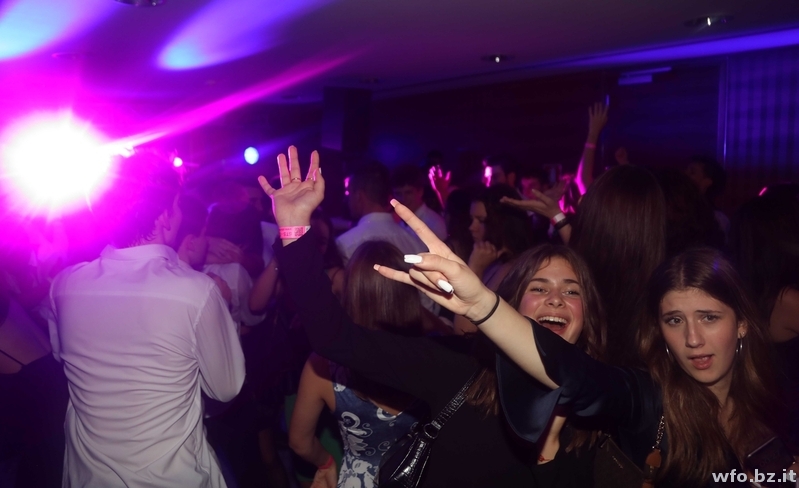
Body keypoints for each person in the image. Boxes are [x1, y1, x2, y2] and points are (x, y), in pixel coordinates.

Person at [372, 202, 795, 487]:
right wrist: (484, 305)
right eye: (674, 320)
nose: (693, 338)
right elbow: (577, 376)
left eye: (709, 318)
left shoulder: (780, 395)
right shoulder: (646, 398)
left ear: (743, 324)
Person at [260, 147, 613, 487]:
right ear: (513, 304)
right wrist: (293, 227)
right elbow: (335, 338)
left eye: (571, 291)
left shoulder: (605, 399)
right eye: (539, 288)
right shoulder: (463, 370)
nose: (555, 300)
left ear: (588, 312)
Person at [48, 152, 245, 487]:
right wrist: (224, 309)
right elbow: (226, 388)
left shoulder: (64, 286)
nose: (179, 215)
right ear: (165, 216)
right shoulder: (195, 292)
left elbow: (62, 358)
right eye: (177, 205)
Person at [288, 242, 422, 488]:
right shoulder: (433, 355)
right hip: (421, 475)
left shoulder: (324, 366)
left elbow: (299, 442)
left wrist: (326, 463)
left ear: (352, 294)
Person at [336, 163, 426, 264]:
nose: (347, 200)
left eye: (349, 193)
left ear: (358, 196)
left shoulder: (345, 244)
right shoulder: (414, 241)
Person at [391, 164, 447, 241]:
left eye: (408, 193)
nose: (403, 198)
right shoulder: (396, 221)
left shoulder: (434, 224)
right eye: (398, 194)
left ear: (420, 192)